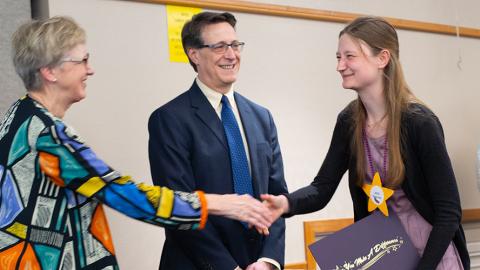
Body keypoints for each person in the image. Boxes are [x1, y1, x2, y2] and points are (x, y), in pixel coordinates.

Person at [0, 16, 275, 270]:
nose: (90, 70)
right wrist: (213, 204)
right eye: (82, 61)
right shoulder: (49, 135)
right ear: (49, 71)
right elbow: (124, 193)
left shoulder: (19, 116)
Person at [262, 16, 469, 269]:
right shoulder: (349, 121)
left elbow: (449, 213)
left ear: (382, 59)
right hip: (384, 252)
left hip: (432, 255)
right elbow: (322, 187)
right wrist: (286, 203)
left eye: (350, 56)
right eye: (338, 57)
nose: (340, 66)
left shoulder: (420, 123)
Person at [148, 11, 288, 270]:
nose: (231, 55)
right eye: (219, 46)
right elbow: (179, 207)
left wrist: (268, 261)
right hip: (199, 264)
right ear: (194, 54)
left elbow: (276, 196)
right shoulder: (168, 119)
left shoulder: (261, 117)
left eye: (235, 45)